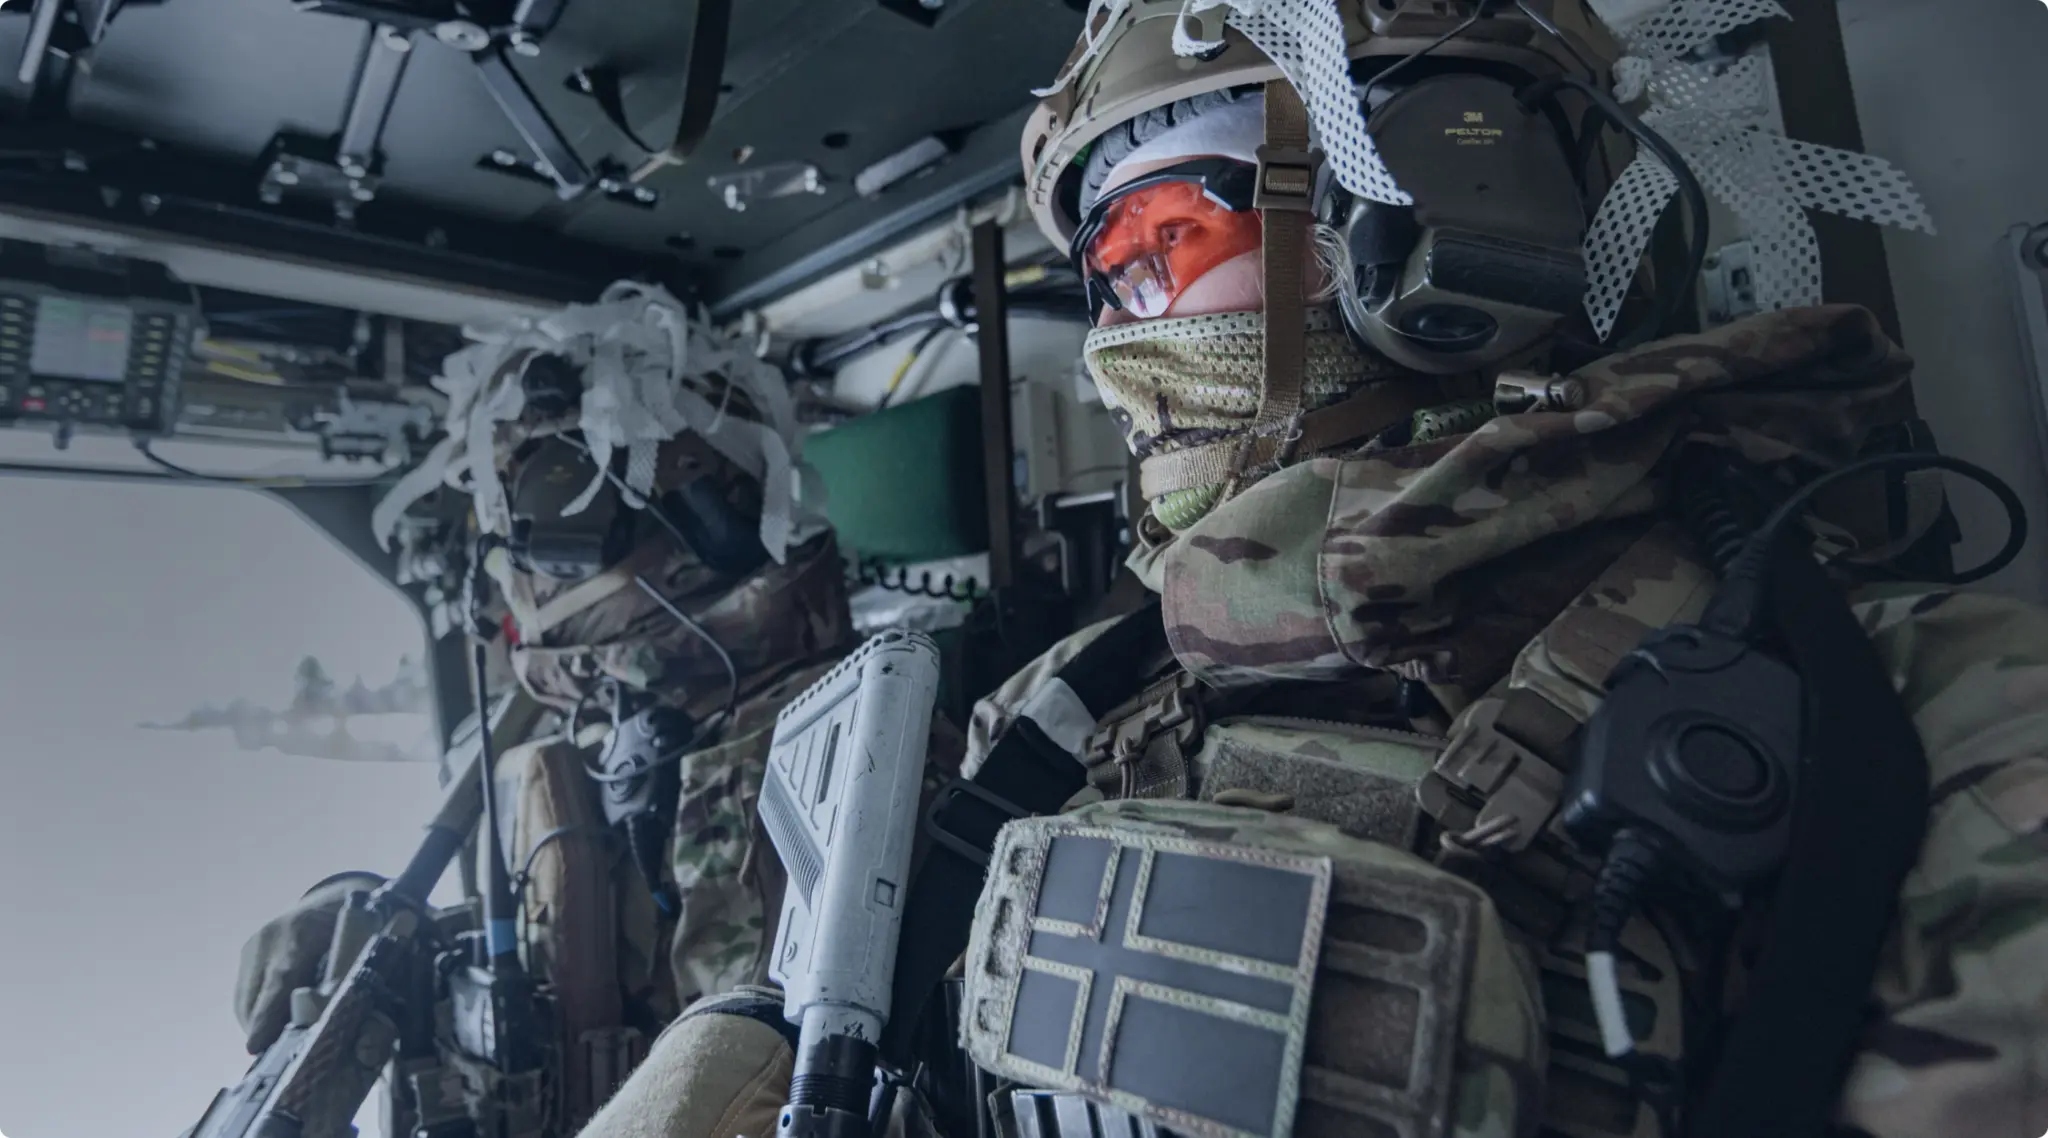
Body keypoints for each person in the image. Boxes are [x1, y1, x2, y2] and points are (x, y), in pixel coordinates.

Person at [228, 286, 919, 1132]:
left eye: (549, 496)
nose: (511, 555)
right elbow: (584, 981)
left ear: (700, 507)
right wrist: (371, 934)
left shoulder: (843, 753)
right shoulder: (587, 738)